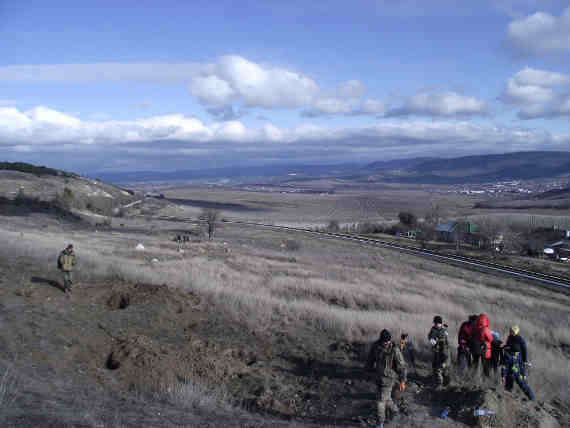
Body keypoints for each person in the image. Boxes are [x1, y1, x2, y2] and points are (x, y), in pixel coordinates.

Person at [366, 329, 407, 428]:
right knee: (386, 398)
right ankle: (395, 412)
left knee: (380, 401)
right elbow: (370, 360)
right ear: (381, 340)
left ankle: (380, 423)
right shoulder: (376, 346)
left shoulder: (394, 350)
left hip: (389, 379)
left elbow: (402, 367)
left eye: (388, 341)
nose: (387, 343)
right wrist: (368, 372)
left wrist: (402, 381)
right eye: (385, 342)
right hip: (378, 377)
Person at [428, 315, 450, 388]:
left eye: (436, 323)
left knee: (444, 366)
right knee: (435, 366)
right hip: (436, 351)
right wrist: (432, 340)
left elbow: (446, 340)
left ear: (440, 323)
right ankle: (437, 382)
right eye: (435, 323)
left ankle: (445, 382)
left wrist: (442, 341)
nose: (435, 324)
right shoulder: (433, 329)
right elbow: (430, 337)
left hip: (444, 350)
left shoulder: (444, 330)